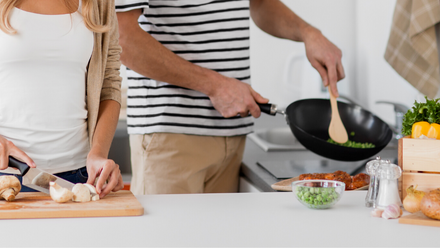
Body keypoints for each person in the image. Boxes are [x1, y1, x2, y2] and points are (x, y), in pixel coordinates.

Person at [115, 0, 345, 194]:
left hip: (233, 134)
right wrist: (215, 86)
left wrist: (309, 33)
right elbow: (122, 37)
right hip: (171, 135)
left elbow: (261, 3)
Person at [0, 0, 124, 198]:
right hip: (7, 176)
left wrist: (98, 153)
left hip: (80, 179)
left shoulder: (100, 4)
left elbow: (109, 86)